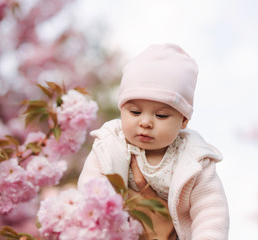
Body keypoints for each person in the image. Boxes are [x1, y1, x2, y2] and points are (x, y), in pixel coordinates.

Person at [78, 43, 229, 240]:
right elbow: (90, 188)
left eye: (161, 115)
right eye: (135, 112)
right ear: (122, 110)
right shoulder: (110, 143)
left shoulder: (194, 159)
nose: (146, 122)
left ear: (184, 120)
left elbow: (210, 212)